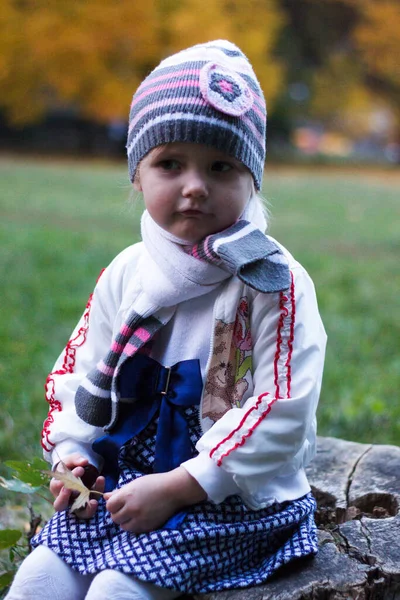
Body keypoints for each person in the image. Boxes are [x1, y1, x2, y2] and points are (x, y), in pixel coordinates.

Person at [6, 39, 326, 600]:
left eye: (221, 165)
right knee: (39, 579)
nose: (195, 185)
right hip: (125, 481)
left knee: (115, 590)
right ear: (138, 174)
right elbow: (80, 369)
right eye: (170, 163)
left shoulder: (272, 281)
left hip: (227, 497)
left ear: (252, 178)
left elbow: (283, 406)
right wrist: (73, 453)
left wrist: (184, 486)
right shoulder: (130, 272)